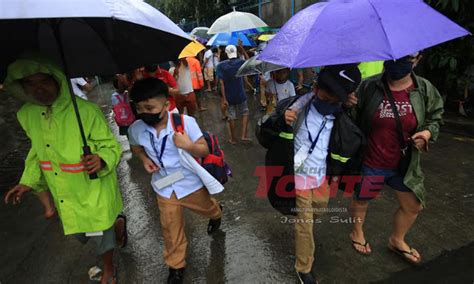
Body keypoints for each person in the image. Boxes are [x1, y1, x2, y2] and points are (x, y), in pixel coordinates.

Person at [3, 55, 125, 284]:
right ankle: (117, 225)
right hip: (65, 192)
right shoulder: (27, 115)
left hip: (93, 188)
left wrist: (102, 159)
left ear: (57, 80)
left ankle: (109, 269)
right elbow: (37, 151)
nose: (38, 89)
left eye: (44, 81)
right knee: (81, 233)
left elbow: (111, 145)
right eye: (30, 83)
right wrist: (27, 181)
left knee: (99, 235)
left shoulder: (85, 111)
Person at [345, 53, 444, 264]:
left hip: (404, 164)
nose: (398, 61)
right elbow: (351, 121)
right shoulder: (368, 87)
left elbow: (435, 117)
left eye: (406, 57)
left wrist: (427, 134)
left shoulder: (424, 89)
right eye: (393, 55)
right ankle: (357, 232)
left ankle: (397, 240)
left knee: (413, 206)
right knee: (362, 199)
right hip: (372, 160)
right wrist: (347, 104)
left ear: (417, 59)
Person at [127, 78, 222, 284]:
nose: (144, 112)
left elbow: (204, 149)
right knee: (170, 227)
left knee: (208, 208)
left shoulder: (186, 123)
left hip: (189, 183)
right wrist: (144, 160)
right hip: (163, 186)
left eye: (150, 107)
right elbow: (136, 147)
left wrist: (188, 145)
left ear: (167, 104)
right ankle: (176, 266)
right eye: (139, 108)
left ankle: (216, 213)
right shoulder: (136, 128)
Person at [284, 64, 362, 284]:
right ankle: (304, 268)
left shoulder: (341, 112)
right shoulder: (296, 108)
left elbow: (359, 131)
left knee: (320, 209)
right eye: (327, 95)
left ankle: (303, 225)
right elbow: (267, 128)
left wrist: (349, 106)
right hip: (298, 177)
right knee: (305, 224)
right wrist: (283, 117)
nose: (329, 101)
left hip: (321, 177)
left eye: (336, 98)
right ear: (316, 88)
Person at [216, 45, 251, 144]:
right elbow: (249, 62)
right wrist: (243, 50)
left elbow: (221, 83)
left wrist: (224, 98)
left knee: (231, 116)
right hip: (240, 93)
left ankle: (233, 139)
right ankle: (243, 135)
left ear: (226, 53)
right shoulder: (240, 62)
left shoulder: (221, 66)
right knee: (245, 113)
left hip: (229, 95)